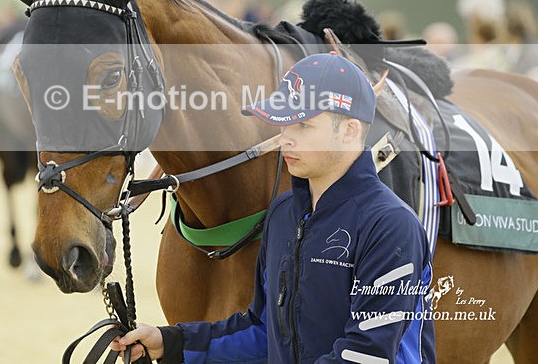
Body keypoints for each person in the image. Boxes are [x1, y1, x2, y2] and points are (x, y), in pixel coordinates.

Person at [112, 52, 436, 363]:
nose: (285, 139)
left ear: (350, 130)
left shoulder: (391, 226)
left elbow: (368, 353)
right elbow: (264, 332)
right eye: (284, 124)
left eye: (303, 126)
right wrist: (169, 342)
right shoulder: (283, 214)